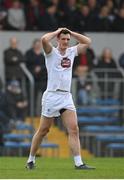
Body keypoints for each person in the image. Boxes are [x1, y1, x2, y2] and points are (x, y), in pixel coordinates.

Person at [26, 28, 95, 170]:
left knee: (74, 129)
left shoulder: (71, 52)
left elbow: (88, 42)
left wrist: (71, 32)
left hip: (66, 96)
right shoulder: (51, 52)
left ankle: (78, 163)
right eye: (63, 39)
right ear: (57, 39)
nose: (66, 42)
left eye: (68, 39)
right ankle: (31, 160)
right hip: (52, 96)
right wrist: (58, 30)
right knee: (43, 130)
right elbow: (44, 39)